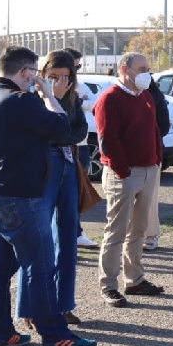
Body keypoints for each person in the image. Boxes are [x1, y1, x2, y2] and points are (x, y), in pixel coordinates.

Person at [0, 46, 97, 346]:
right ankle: (54, 335)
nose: (36, 79)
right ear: (25, 73)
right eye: (35, 74)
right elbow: (62, 126)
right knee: (40, 266)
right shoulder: (22, 101)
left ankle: (0, 334)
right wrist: (50, 95)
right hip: (22, 198)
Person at [16, 50, 89, 329]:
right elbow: (49, 132)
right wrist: (52, 100)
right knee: (38, 240)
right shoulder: (31, 100)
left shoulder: (74, 97)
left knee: (68, 238)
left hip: (68, 166)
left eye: (66, 77)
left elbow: (80, 131)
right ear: (42, 74)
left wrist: (61, 118)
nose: (60, 81)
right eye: (53, 76)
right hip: (42, 169)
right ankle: (29, 308)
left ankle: (63, 305)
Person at [94, 52, 164, 308]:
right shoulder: (109, 99)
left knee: (139, 230)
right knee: (117, 231)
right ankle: (108, 285)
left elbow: (154, 129)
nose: (147, 72)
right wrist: (122, 171)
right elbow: (108, 140)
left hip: (147, 170)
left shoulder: (145, 96)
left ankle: (134, 279)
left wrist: (156, 159)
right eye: (142, 68)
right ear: (125, 69)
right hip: (123, 174)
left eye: (148, 68)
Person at [63, 48, 100, 250]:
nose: (77, 68)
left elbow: (92, 102)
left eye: (78, 65)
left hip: (81, 146)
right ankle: (71, 234)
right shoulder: (52, 88)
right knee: (67, 195)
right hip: (64, 149)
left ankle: (75, 233)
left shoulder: (81, 85)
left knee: (78, 193)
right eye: (75, 64)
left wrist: (81, 101)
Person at [144, 77, 172, 251]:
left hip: (151, 154)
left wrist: (148, 136)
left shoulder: (156, 97)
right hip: (127, 156)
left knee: (150, 197)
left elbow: (164, 126)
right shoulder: (121, 95)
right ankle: (131, 235)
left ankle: (150, 235)